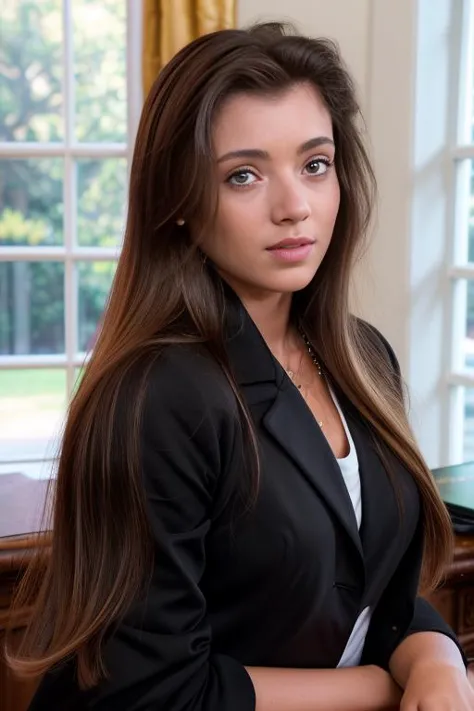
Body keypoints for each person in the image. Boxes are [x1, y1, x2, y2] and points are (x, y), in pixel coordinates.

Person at [6, 21, 474, 711]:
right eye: (244, 175)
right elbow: (153, 691)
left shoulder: (365, 356)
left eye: (315, 164)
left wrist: (435, 656)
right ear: (183, 204)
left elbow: (373, 596)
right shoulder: (154, 396)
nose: (295, 207)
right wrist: (379, 685)